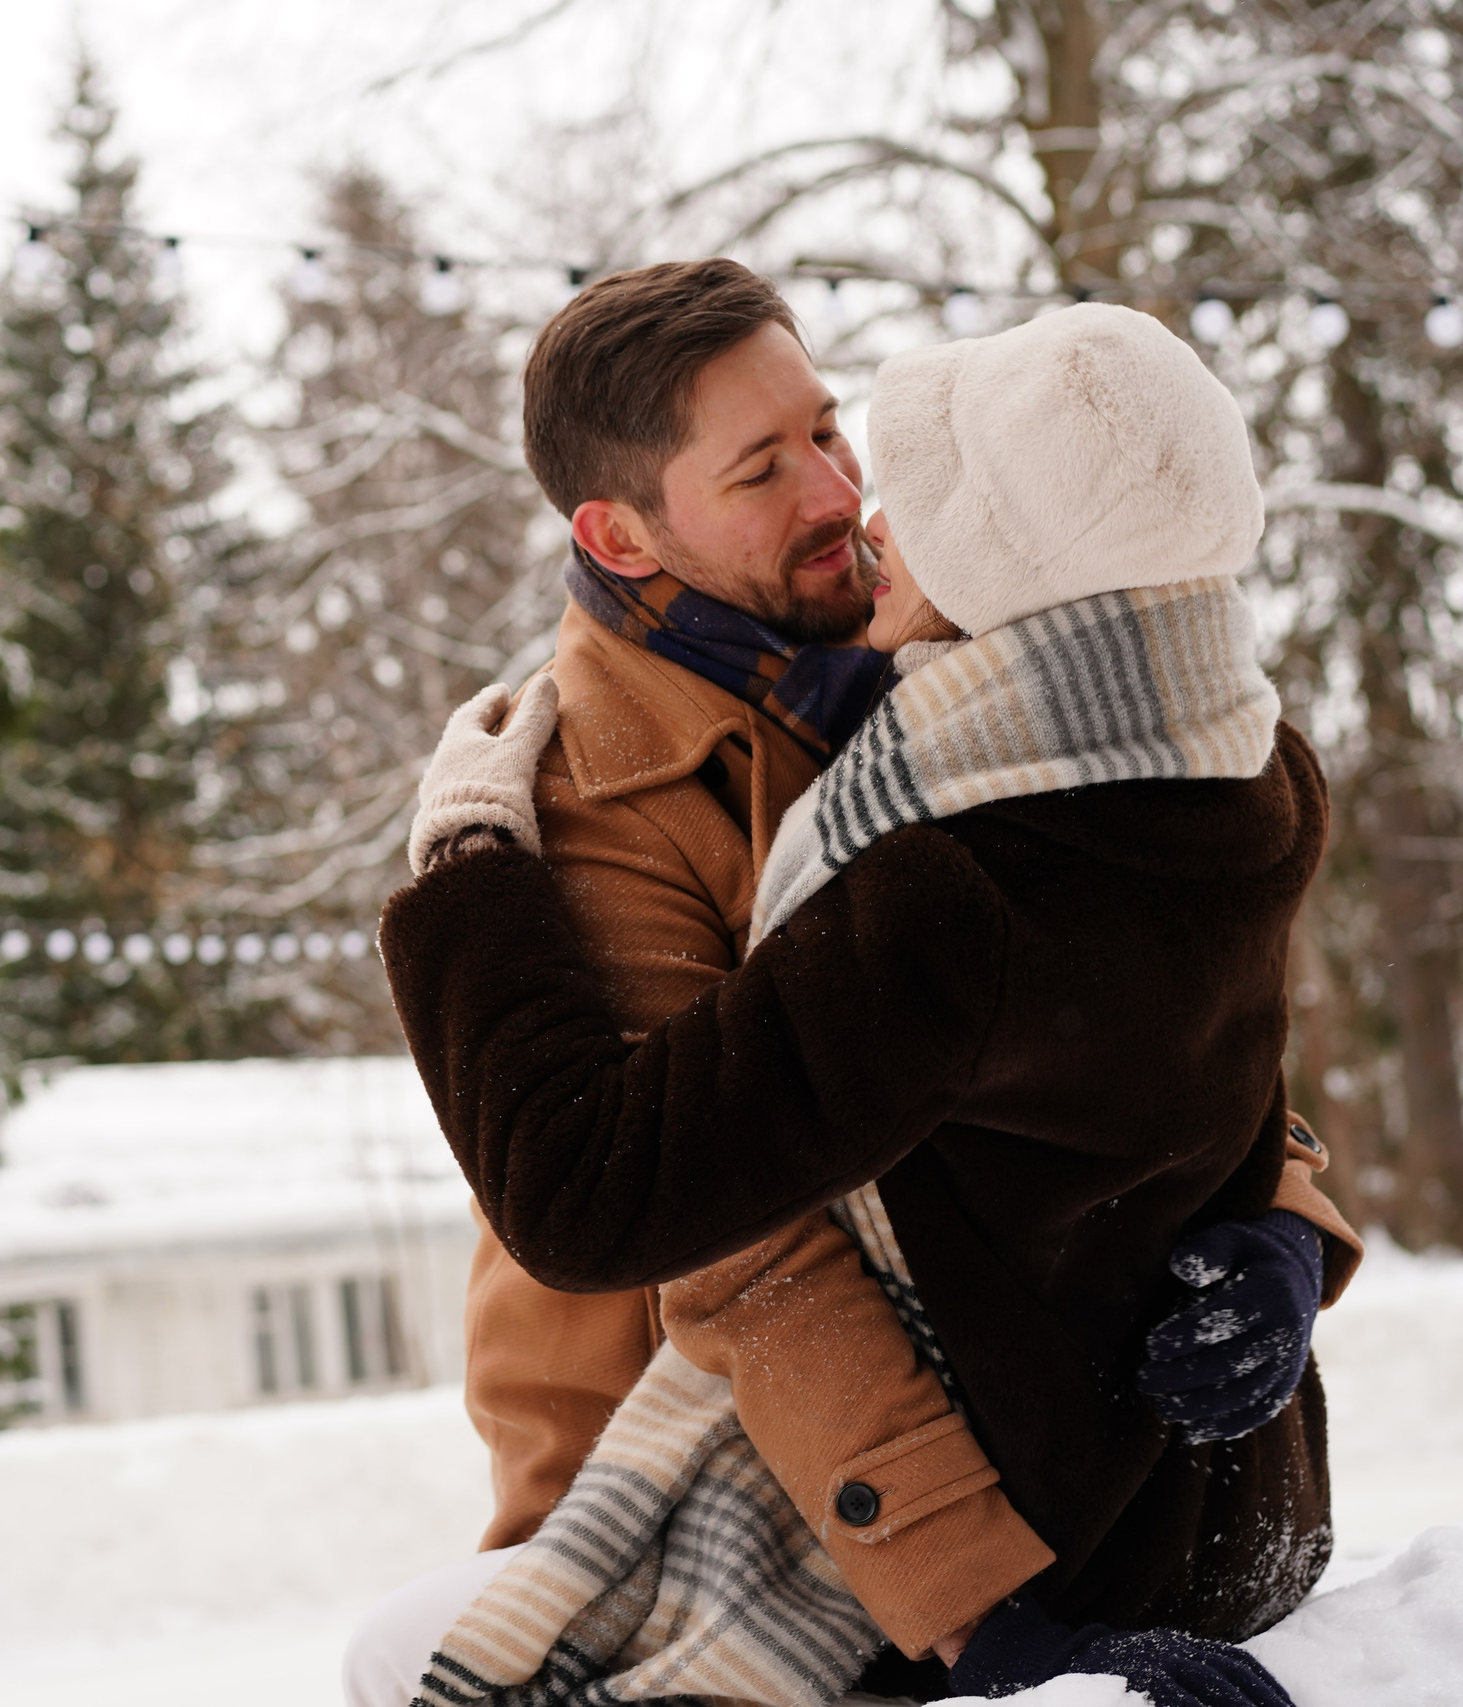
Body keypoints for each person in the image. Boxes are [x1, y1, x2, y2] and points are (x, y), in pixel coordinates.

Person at [342, 272, 1357, 1706]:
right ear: (619, 532)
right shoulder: (586, 793)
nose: (836, 492)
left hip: (999, 1445)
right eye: (761, 471)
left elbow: (1163, 1020)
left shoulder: (961, 689)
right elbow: (735, 1242)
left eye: (827, 429)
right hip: (731, 1497)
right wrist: (972, 1606)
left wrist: (1283, 1228)